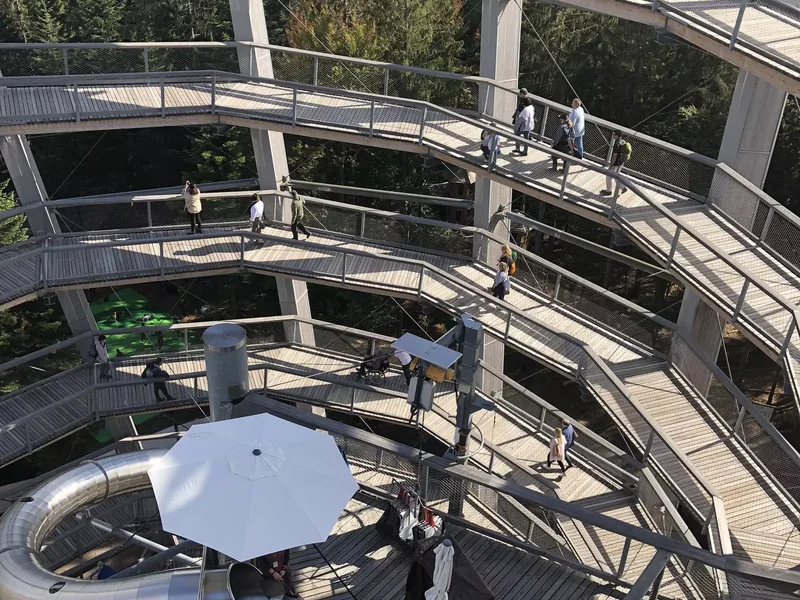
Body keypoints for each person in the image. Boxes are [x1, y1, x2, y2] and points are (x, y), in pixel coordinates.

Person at [601, 130, 631, 197]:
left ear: (618, 135)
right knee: (615, 177)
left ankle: (609, 191)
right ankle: (622, 188)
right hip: (620, 163)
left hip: (616, 163)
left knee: (609, 177)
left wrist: (611, 165)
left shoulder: (616, 144)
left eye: (614, 134)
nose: (613, 136)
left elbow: (614, 155)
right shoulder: (623, 142)